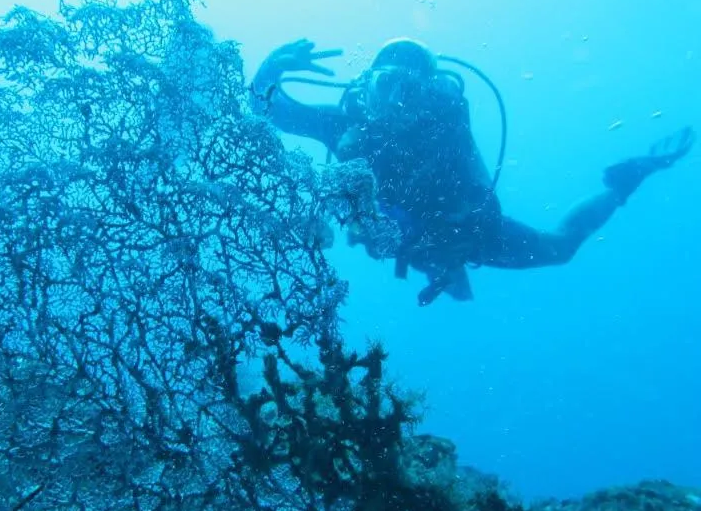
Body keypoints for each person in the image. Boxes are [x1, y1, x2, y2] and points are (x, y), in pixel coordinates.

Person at [248, 37, 696, 305]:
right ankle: (438, 268)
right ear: (367, 86)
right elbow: (267, 109)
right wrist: (271, 68)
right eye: (387, 86)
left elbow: (481, 199)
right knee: (441, 271)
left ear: (429, 93)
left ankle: (625, 181)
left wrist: (450, 241)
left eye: (410, 90)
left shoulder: (445, 127)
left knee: (559, 248)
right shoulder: (346, 122)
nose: (397, 103)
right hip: (410, 241)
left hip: (458, 235)